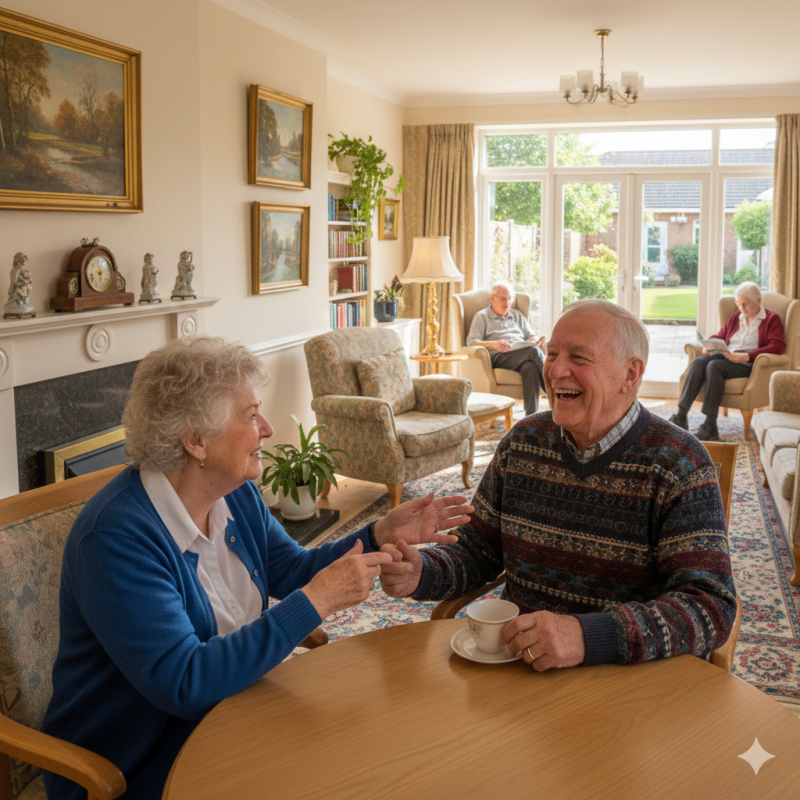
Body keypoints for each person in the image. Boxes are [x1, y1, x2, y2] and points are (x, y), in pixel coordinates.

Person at [42, 336, 472, 800]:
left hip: (233, 711)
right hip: (135, 762)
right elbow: (185, 682)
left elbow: (290, 568)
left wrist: (376, 535)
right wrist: (318, 601)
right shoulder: (115, 539)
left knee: (372, 751)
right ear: (194, 440)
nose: (266, 428)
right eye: (249, 415)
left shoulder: (234, 491)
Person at [380, 299, 737, 672]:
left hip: (628, 682)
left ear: (630, 375)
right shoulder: (523, 443)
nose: (555, 370)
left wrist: (588, 636)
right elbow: (478, 551)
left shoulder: (679, 463)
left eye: (578, 358)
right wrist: (422, 571)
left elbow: (709, 606)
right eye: (551, 353)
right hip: (520, 668)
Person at [670, 281, 785, 441]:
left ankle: (710, 425)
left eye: (746, 304)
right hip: (726, 358)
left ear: (758, 301)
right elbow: (720, 335)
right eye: (739, 304)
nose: (742, 309)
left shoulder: (771, 319)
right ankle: (681, 416)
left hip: (748, 364)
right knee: (698, 363)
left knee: (715, 366)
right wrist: (709, 344)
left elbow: (777, 347)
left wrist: (746, 356)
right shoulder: (736, 318)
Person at [466, 279, 546, 415]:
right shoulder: (482, 317)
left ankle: (530, 415)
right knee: (533, 352)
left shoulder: (517, 315)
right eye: (503, 299)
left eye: (509, 299)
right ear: (492, 298)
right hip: (498, 355)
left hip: (520, 353)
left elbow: (531, 335)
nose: (507, 303)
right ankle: (554, 391)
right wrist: (492, 344)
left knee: (530, 366)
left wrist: (535, 341)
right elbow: (471, 342)